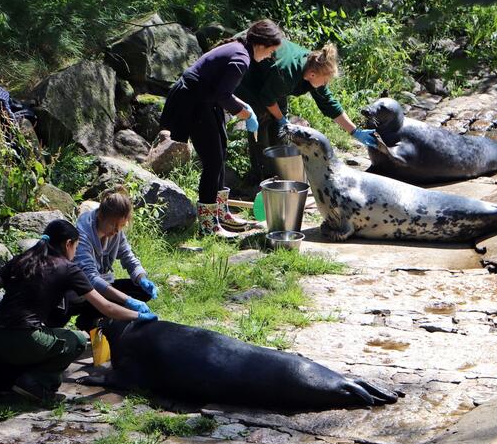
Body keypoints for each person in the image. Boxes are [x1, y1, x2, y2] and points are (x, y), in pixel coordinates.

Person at [0, 219, 158, 403]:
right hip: (24, 339)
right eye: (76, 247)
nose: (75, 253)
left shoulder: (22, 259)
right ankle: (38, 385)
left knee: (32, 345)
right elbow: (107, 307)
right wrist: (139, 316)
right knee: (76, 340)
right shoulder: (68, 268)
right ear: (68, 244)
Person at [159, 19, 284, 237]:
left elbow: (219, 88)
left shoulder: (239, 49)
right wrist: (244, 113)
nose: (269, 56)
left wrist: (243, 106)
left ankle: (221, 212)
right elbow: (222, 95)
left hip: (205, 99)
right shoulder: (241, 57)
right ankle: (209, 225)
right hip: (192, 102)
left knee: (221, 150)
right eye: (271, 51)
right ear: (262, 44)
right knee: (213, 160)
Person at [234, 41, 377, 183]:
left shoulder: (315, 67)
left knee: (280, 128)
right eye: (326, 80)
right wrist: (281, 119)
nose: (325, 84)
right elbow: (267, 98)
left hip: (273, 81)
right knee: (263, 120)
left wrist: (355, 132)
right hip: (249, 74)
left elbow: (329, 104)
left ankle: (279, 171)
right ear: (313, 75)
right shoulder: (288, 72)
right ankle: (260, 177)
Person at [72, 188, 159, 330]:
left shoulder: (115, 232)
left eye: (121, 226)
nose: (117, 231)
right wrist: (127, 300)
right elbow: (91, 279)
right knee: (126, 298)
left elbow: (128, 256)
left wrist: (141, 277)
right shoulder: (82, 236)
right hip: (81, 294)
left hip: (104, 285)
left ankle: (96, 318)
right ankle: (88, 319)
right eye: (114, 225)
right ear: (100, 216)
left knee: (141, 290)